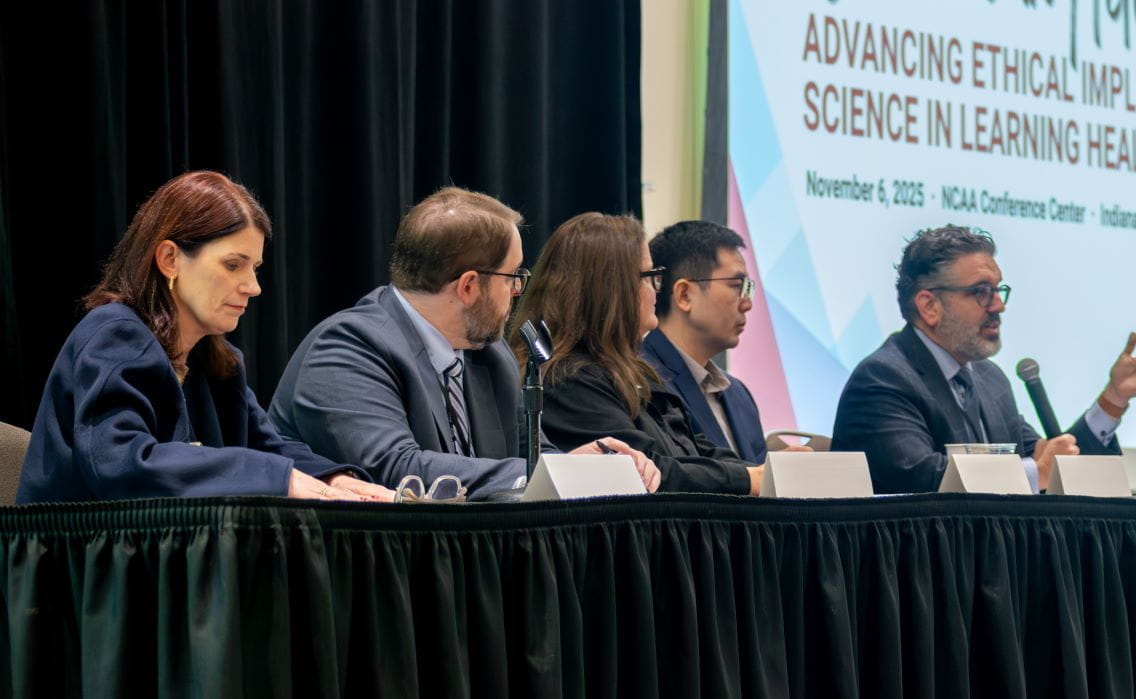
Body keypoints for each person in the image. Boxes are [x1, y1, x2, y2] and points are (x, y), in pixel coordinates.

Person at [16, 171, 393, 504]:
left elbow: (268, 448)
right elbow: (122, 464)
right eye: (233, 265)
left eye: (255, 267)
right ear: (170, 259)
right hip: (85, 555)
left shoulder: (216, 361)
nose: (254, 287)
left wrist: (335, 480)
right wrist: (279, 479)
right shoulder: (114, 334)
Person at [268, 188, 660, 498]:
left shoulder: (490, 354)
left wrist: (582, 466)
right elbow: (398, 470)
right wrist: (542, 474)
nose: (519, 290)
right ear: (469, 286)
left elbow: (531, 453)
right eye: (513, 276)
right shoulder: (348, 348)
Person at [831, 224, 1136, 493]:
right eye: (981, 292)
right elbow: (920, 480)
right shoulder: (884, 379)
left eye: (998, 290)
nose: (999, 306)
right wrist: (1034, 472)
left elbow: (1054, 462)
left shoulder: (989, 379)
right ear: (929, 306)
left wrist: (1112, 401)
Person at [508, 212, 763, 495]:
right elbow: (643, 472)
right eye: (650, 277)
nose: (656, 291)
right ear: (610, 288)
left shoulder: (638, 372)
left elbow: (702, 451)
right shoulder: (568, 380)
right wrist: (747, 479)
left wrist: (760, 474)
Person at [644, 220, 767, 463]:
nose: (747, 304)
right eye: (736, 286)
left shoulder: (738, 394)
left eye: (748, 288)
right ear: (684, 295)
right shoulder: (640, 382)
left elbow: (755, 477)